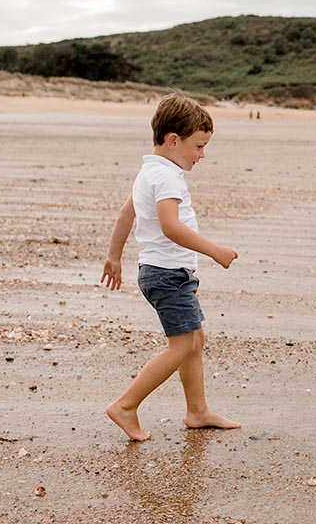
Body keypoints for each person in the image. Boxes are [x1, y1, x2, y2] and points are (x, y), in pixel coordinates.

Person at [101, 93, 240, 441]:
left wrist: (114, 257)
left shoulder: (149, 171)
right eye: (199, 146)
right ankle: (126, 405)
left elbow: (126, 214)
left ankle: (197, 410)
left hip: (161, 272)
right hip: (168, 274)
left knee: (194, 339)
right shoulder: (167, 177)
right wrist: (214, 251)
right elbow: (170, 227)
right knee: (181, 346)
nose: (202, 155)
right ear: (174, 140)